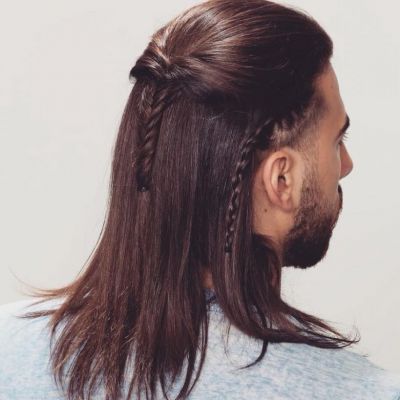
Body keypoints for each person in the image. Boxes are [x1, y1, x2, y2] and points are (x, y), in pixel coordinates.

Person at [1, 0, 399, 399]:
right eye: (337, 140)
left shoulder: (8, 351)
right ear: (282, 179)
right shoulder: (359, 392)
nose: (346, 165)